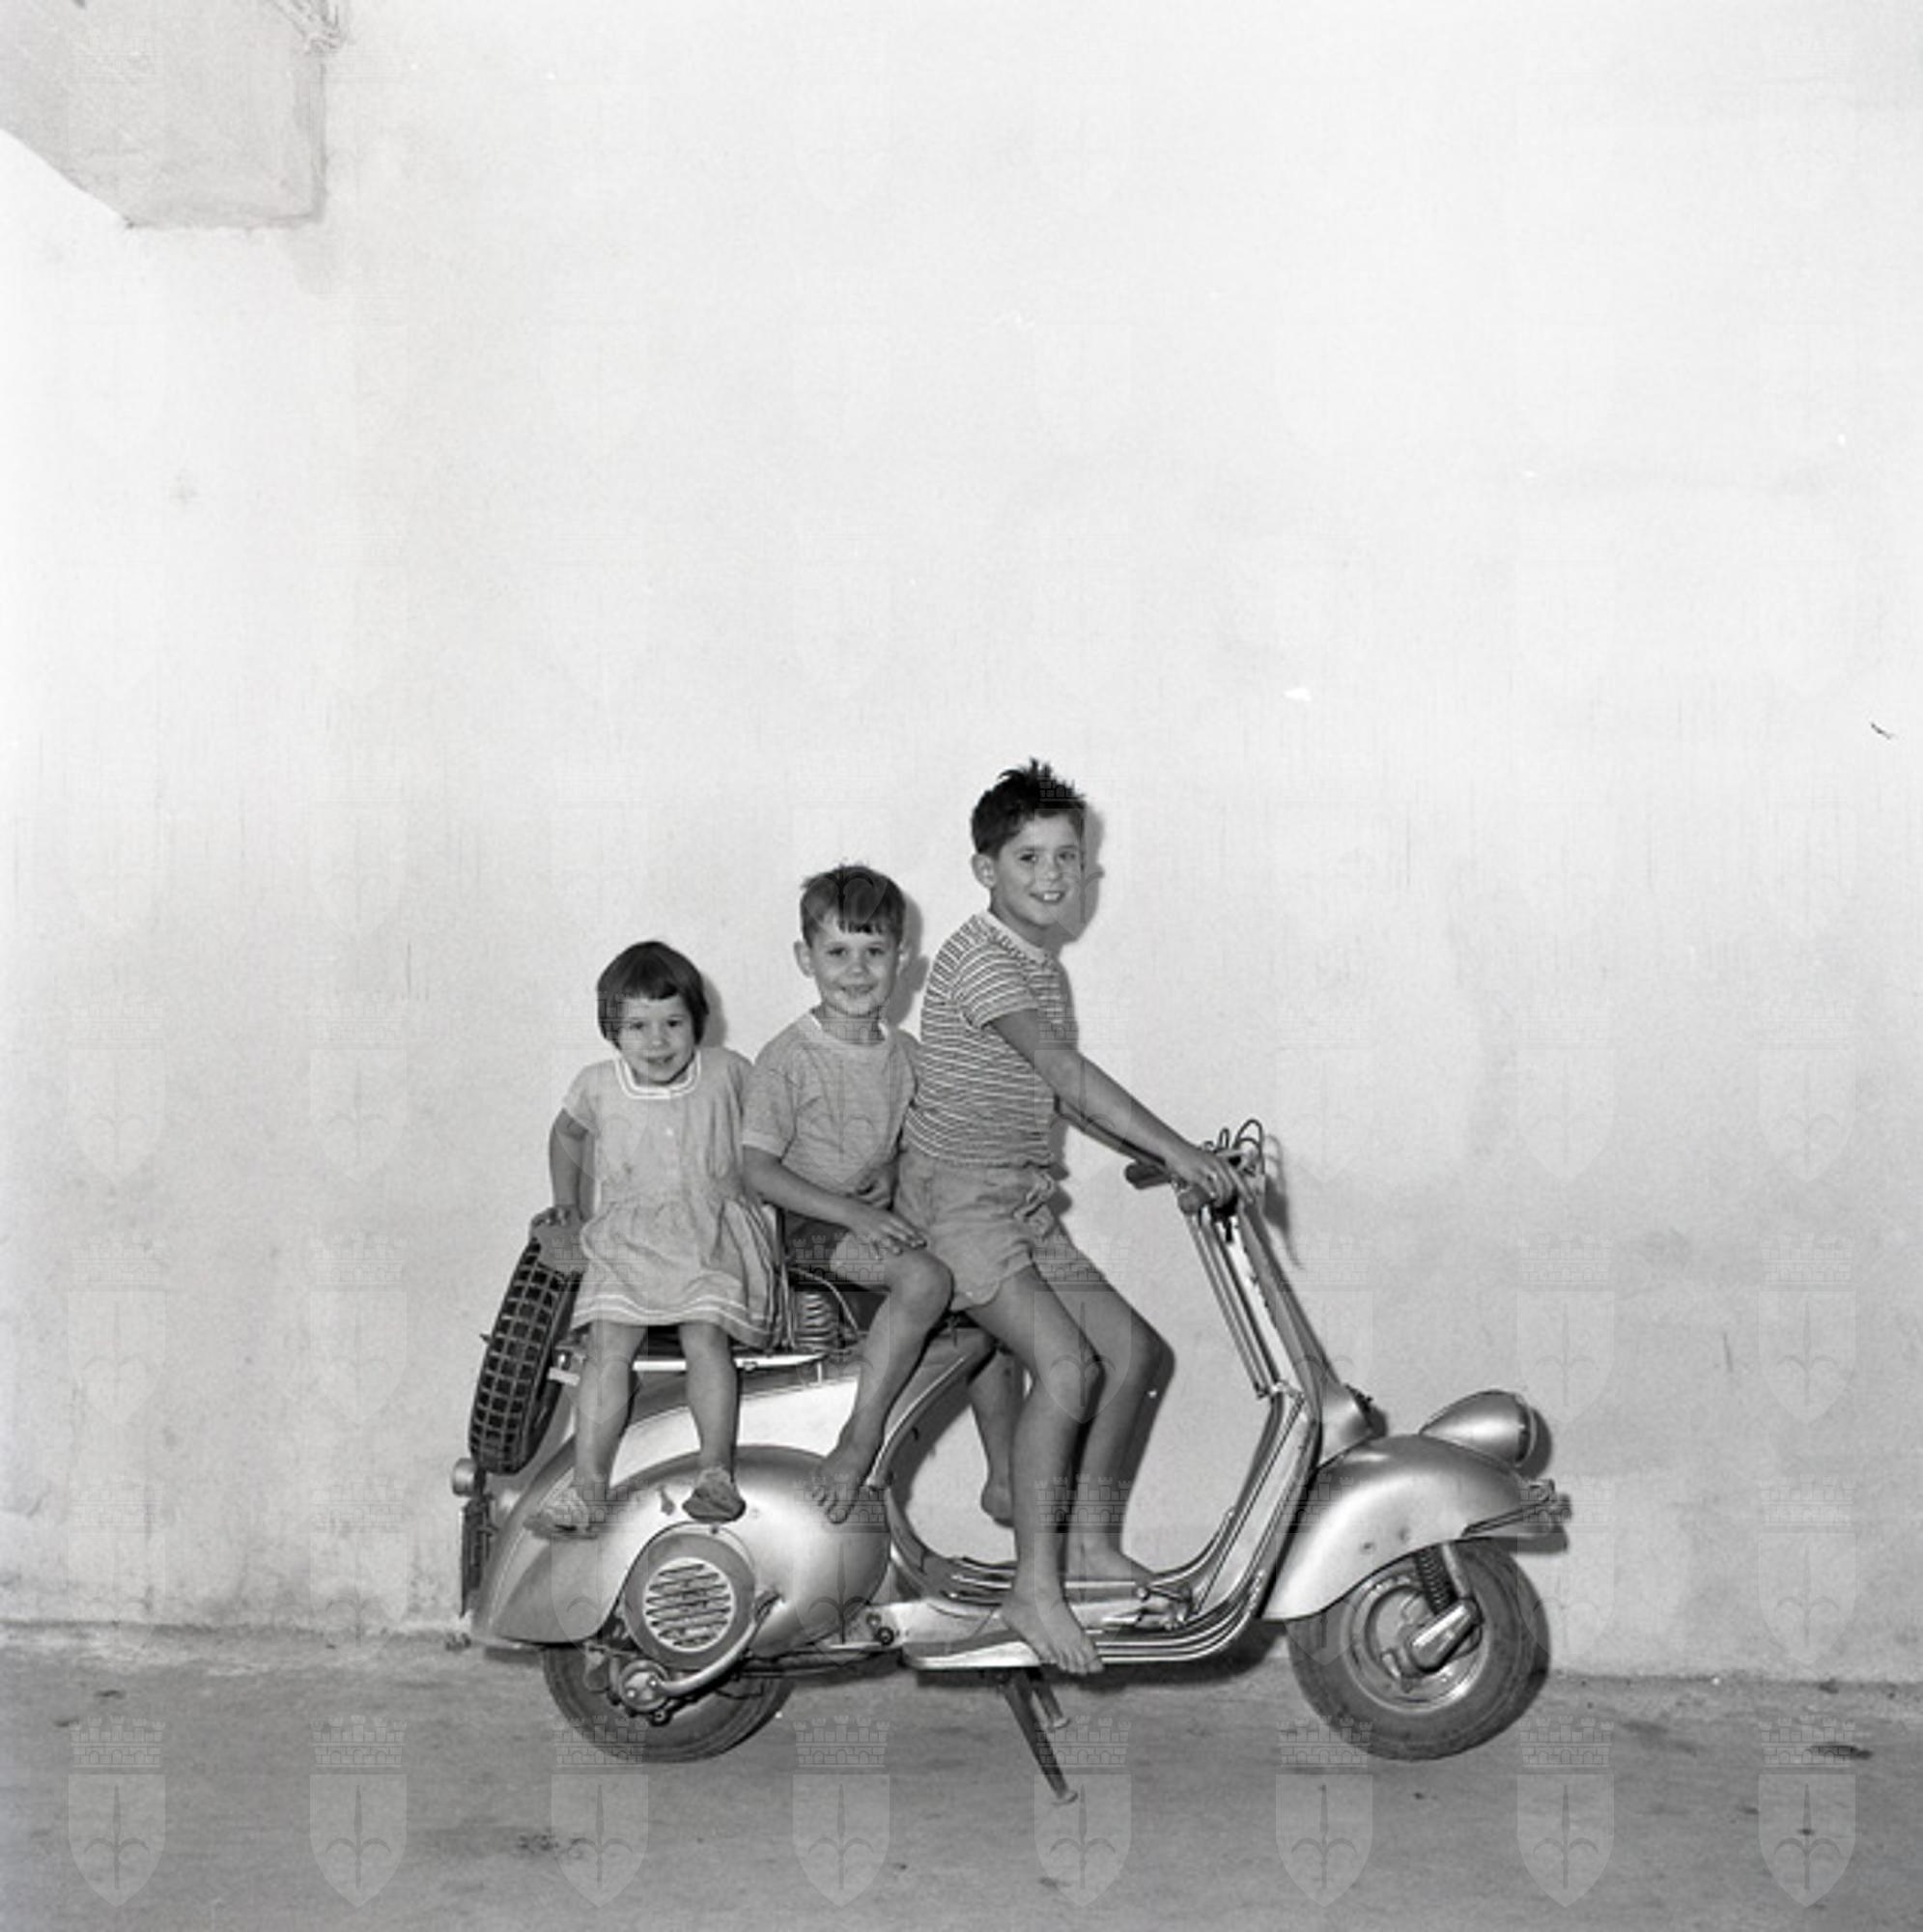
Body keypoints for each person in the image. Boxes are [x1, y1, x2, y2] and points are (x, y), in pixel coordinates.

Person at [895, 760, 1238, 1674]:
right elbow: (1064, 1073)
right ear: (985, 870)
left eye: (1066, 858)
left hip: (1016, 1199)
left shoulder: (1037, 964)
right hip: (957, 1205)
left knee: (1133, 1355)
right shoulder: (982, 958)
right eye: (1028, 858)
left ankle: (1085, 1547)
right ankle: (1032, 1589)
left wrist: (1163, 1151)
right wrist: (1175, 1150)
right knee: (1066, 1367)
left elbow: (1051, 1094)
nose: (1052, 876)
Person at [741, 865, 1019, 1524]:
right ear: (805, 958)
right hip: (808, 1231)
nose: (857, 970)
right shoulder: (788, 1057)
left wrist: (893, 1171)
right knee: (925, 1279)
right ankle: (858, 1438)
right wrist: (852, 1213)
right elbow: (756, 1170)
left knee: (993, 1290)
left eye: (873, 951)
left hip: (880, 1224)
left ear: (903, 958)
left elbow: (923, 1143)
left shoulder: (909, 1055)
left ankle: (1005, 1475)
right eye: (837, 952)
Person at [533, 940, 775, 1537]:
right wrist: (567, 1205)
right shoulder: (597, 1084)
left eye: (673, 1022)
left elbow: (771, 1130)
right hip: (629, 1237)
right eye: (637, 1027)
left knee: (705, 1337)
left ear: (698, 1021)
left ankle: (715, 1472)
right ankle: (589, 1486)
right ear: (612, 1031)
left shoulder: (727, 1071)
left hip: (708, 1232)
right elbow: (566, 1135)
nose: (657, 1041)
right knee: (606, 1347)